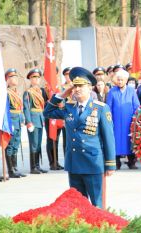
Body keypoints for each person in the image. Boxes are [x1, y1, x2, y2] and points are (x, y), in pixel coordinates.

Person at [43, 67, 116, 207]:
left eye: (80, 86)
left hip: (93, 162)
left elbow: (109, 138)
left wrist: (110, 163)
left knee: (97, 205)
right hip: (74, 163)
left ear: (90, 88)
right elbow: (47, 112)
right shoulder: (68, 107)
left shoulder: (101, 108)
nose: (77, 89)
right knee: (78, 205)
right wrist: (63, 94)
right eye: (74, 86)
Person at [106, 70, 140, 170]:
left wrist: (136, 119)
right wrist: (109, 120)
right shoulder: (112, 91)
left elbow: (136, 106)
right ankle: (116, 162)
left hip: (129, 121)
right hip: (115, 121)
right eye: (118, 80)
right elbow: (108, 107)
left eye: (122, 80)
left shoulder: (131, 91)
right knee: (116, 141)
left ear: (126, 80)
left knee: (130, 141)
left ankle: (131, 162)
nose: (120, 81)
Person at [23, 68, 48, 174]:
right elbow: (26, 108)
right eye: (34, 77)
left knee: (38, 144)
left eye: (38, 77)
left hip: (40, 118)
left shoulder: (41, 91)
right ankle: (33, 167)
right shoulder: (28, 92)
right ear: (30, 79)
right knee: (33, 143)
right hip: (33, 120)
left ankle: (37, 165)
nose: (36, 79)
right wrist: (29, 122)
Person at [5, 68, 26, 178]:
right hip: (11, 121)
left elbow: (20, 108)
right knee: (10, 145)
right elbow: (6, 109)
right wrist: (9, 123)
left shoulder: (16, 92)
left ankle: (15, 167)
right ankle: (11, 170)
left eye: (15, 76)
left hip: (18, 121)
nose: (15, 78)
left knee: (16, 144)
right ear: (7, 79)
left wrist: (22, 120)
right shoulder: (6, 93)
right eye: (12, 77)